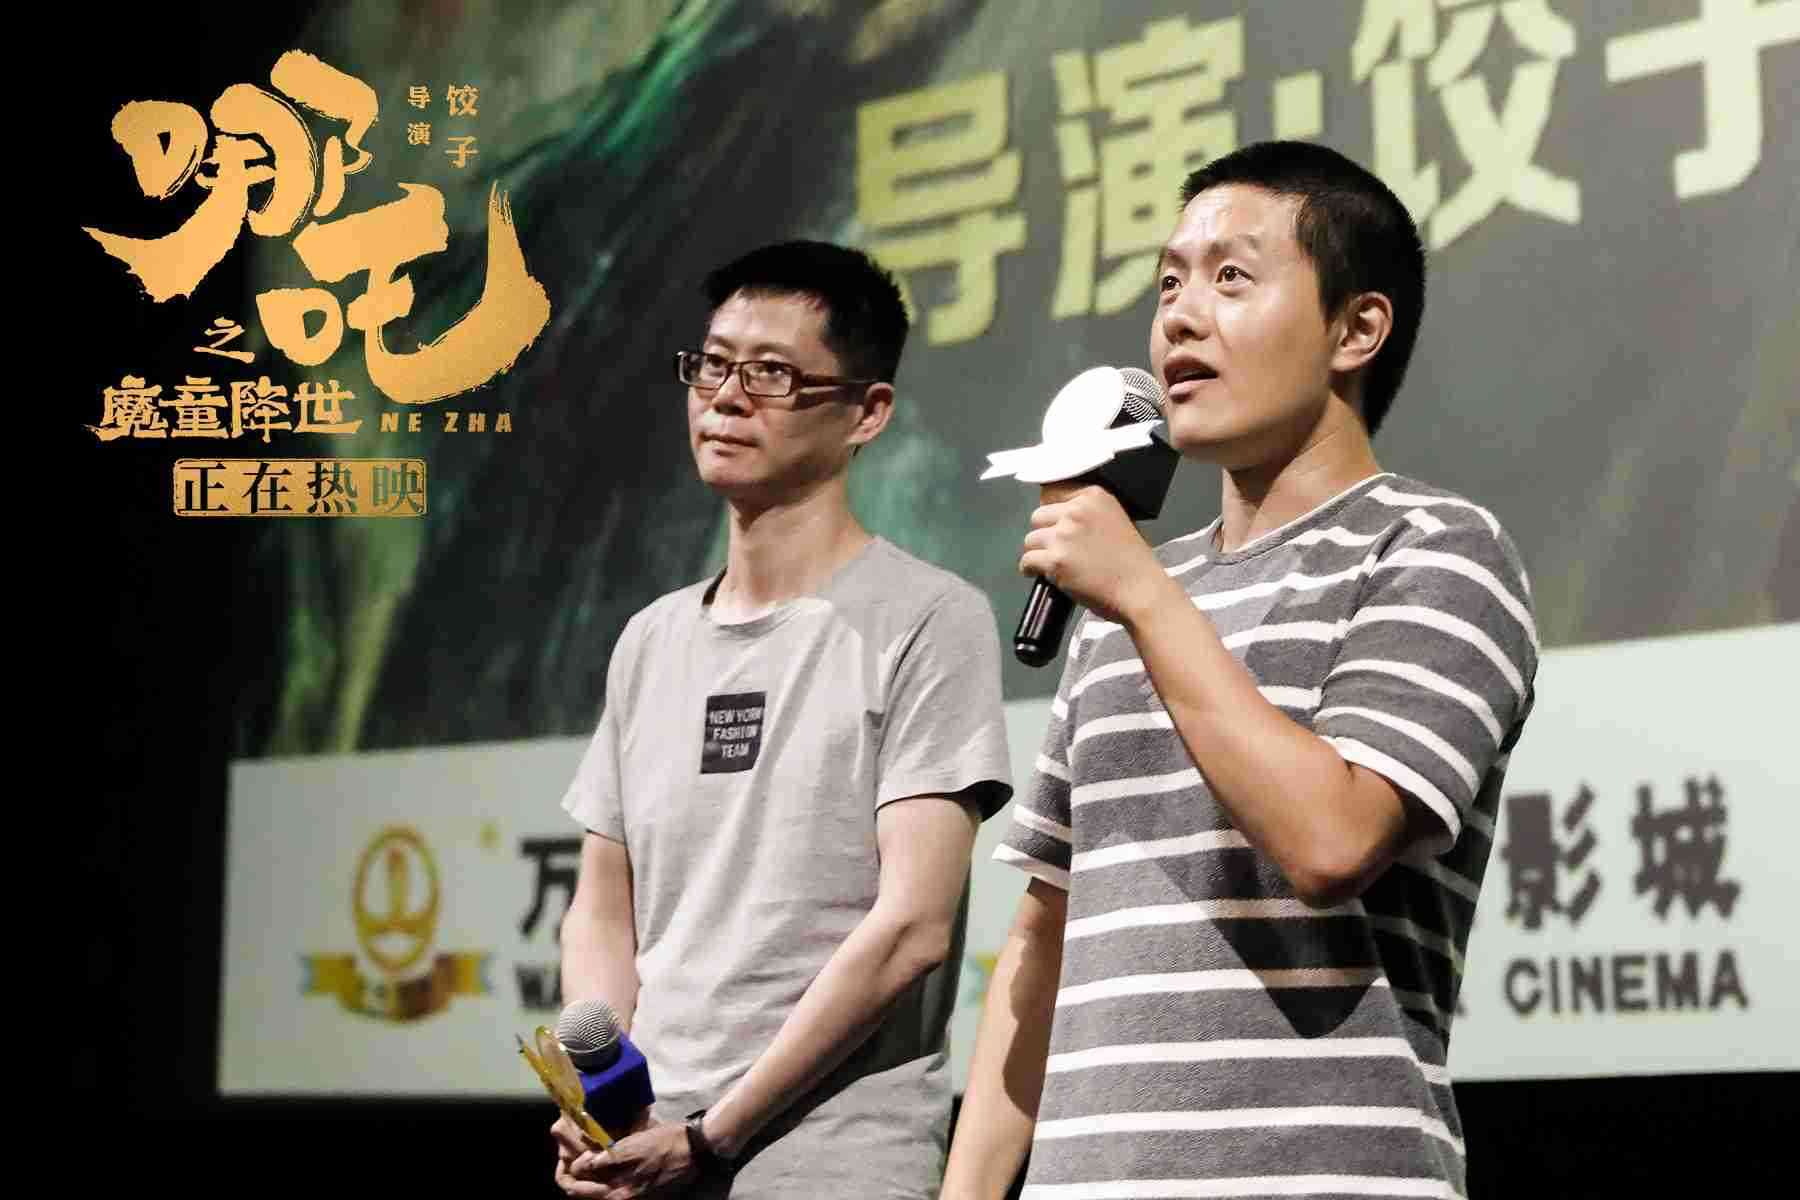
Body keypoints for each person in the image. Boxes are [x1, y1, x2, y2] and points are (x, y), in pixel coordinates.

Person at [943, 141, 1540, 1198]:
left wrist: (1143, 596)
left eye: (1231, 277)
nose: (1180, 317)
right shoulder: (1129, 598)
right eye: (1169, 282)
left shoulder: (1435, 550)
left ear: (1356, 330)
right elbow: (1042, 944)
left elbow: (1332, 840)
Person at [551, 240, 1013, 1199]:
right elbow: (601, 907)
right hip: (646, 1154)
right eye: (712, 365)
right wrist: (601, 1098)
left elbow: (913, 927)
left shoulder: (929, 618)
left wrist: (712, 1137)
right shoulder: (650, 639)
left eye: (771, 374)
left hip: (831, 1164)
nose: (726, 398)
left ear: (866, 412)